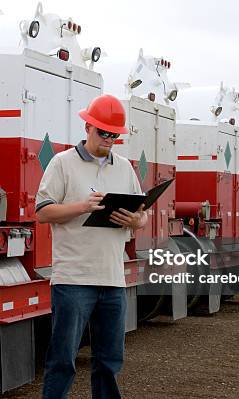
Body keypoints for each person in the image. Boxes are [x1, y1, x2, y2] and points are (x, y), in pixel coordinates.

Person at [35, 94, 148, 399]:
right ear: (88, 127)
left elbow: (143, 213)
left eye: (115, 135)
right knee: (62, 360)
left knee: (109, 361)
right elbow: (43, 211)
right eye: (104, 133)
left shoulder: (124, 168)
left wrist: (135, 221)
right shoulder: (62, 163)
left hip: (112, 279)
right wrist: (83, 206)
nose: (109, 140)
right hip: (73, 279)